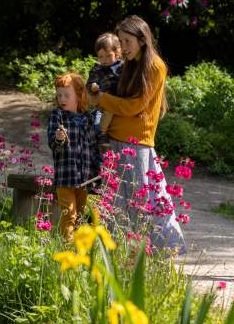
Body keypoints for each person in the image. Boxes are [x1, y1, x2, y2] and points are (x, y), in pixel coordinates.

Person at [88, 15, 185, 253]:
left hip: (136, 143)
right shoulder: (128, 65)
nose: (122, 47)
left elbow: (134, 106)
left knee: (145, 204)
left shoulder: (154, 66)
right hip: (115, 140)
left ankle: (160, 254)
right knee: (115, 204)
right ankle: (116, 255)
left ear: (142, 39)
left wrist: (102, 99)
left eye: (127, 41)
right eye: (120, 41)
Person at [47, 72, 98, 241]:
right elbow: (53, 143)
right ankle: (67, 248)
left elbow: (92, 146)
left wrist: (97, 170)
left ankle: (80, 250)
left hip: (84, 177)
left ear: (78, 95)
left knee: (82, 214)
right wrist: (59, 138)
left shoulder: (87, 118)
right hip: (66, 176)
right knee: (69, 214)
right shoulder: (57, 116)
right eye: (59, 94)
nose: (62, 98)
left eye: (66, 95)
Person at [87, 32, 123, 155]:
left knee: (105, 119)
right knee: (97, 121)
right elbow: (89, 84)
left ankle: (102, 135)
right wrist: (93, 87)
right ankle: (99, 138)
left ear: (117, 53)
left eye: (108, 56)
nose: (104, 60)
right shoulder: (97, 69)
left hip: (116, 102)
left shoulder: (122, 68)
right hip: (101, 101)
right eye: (101, 57)